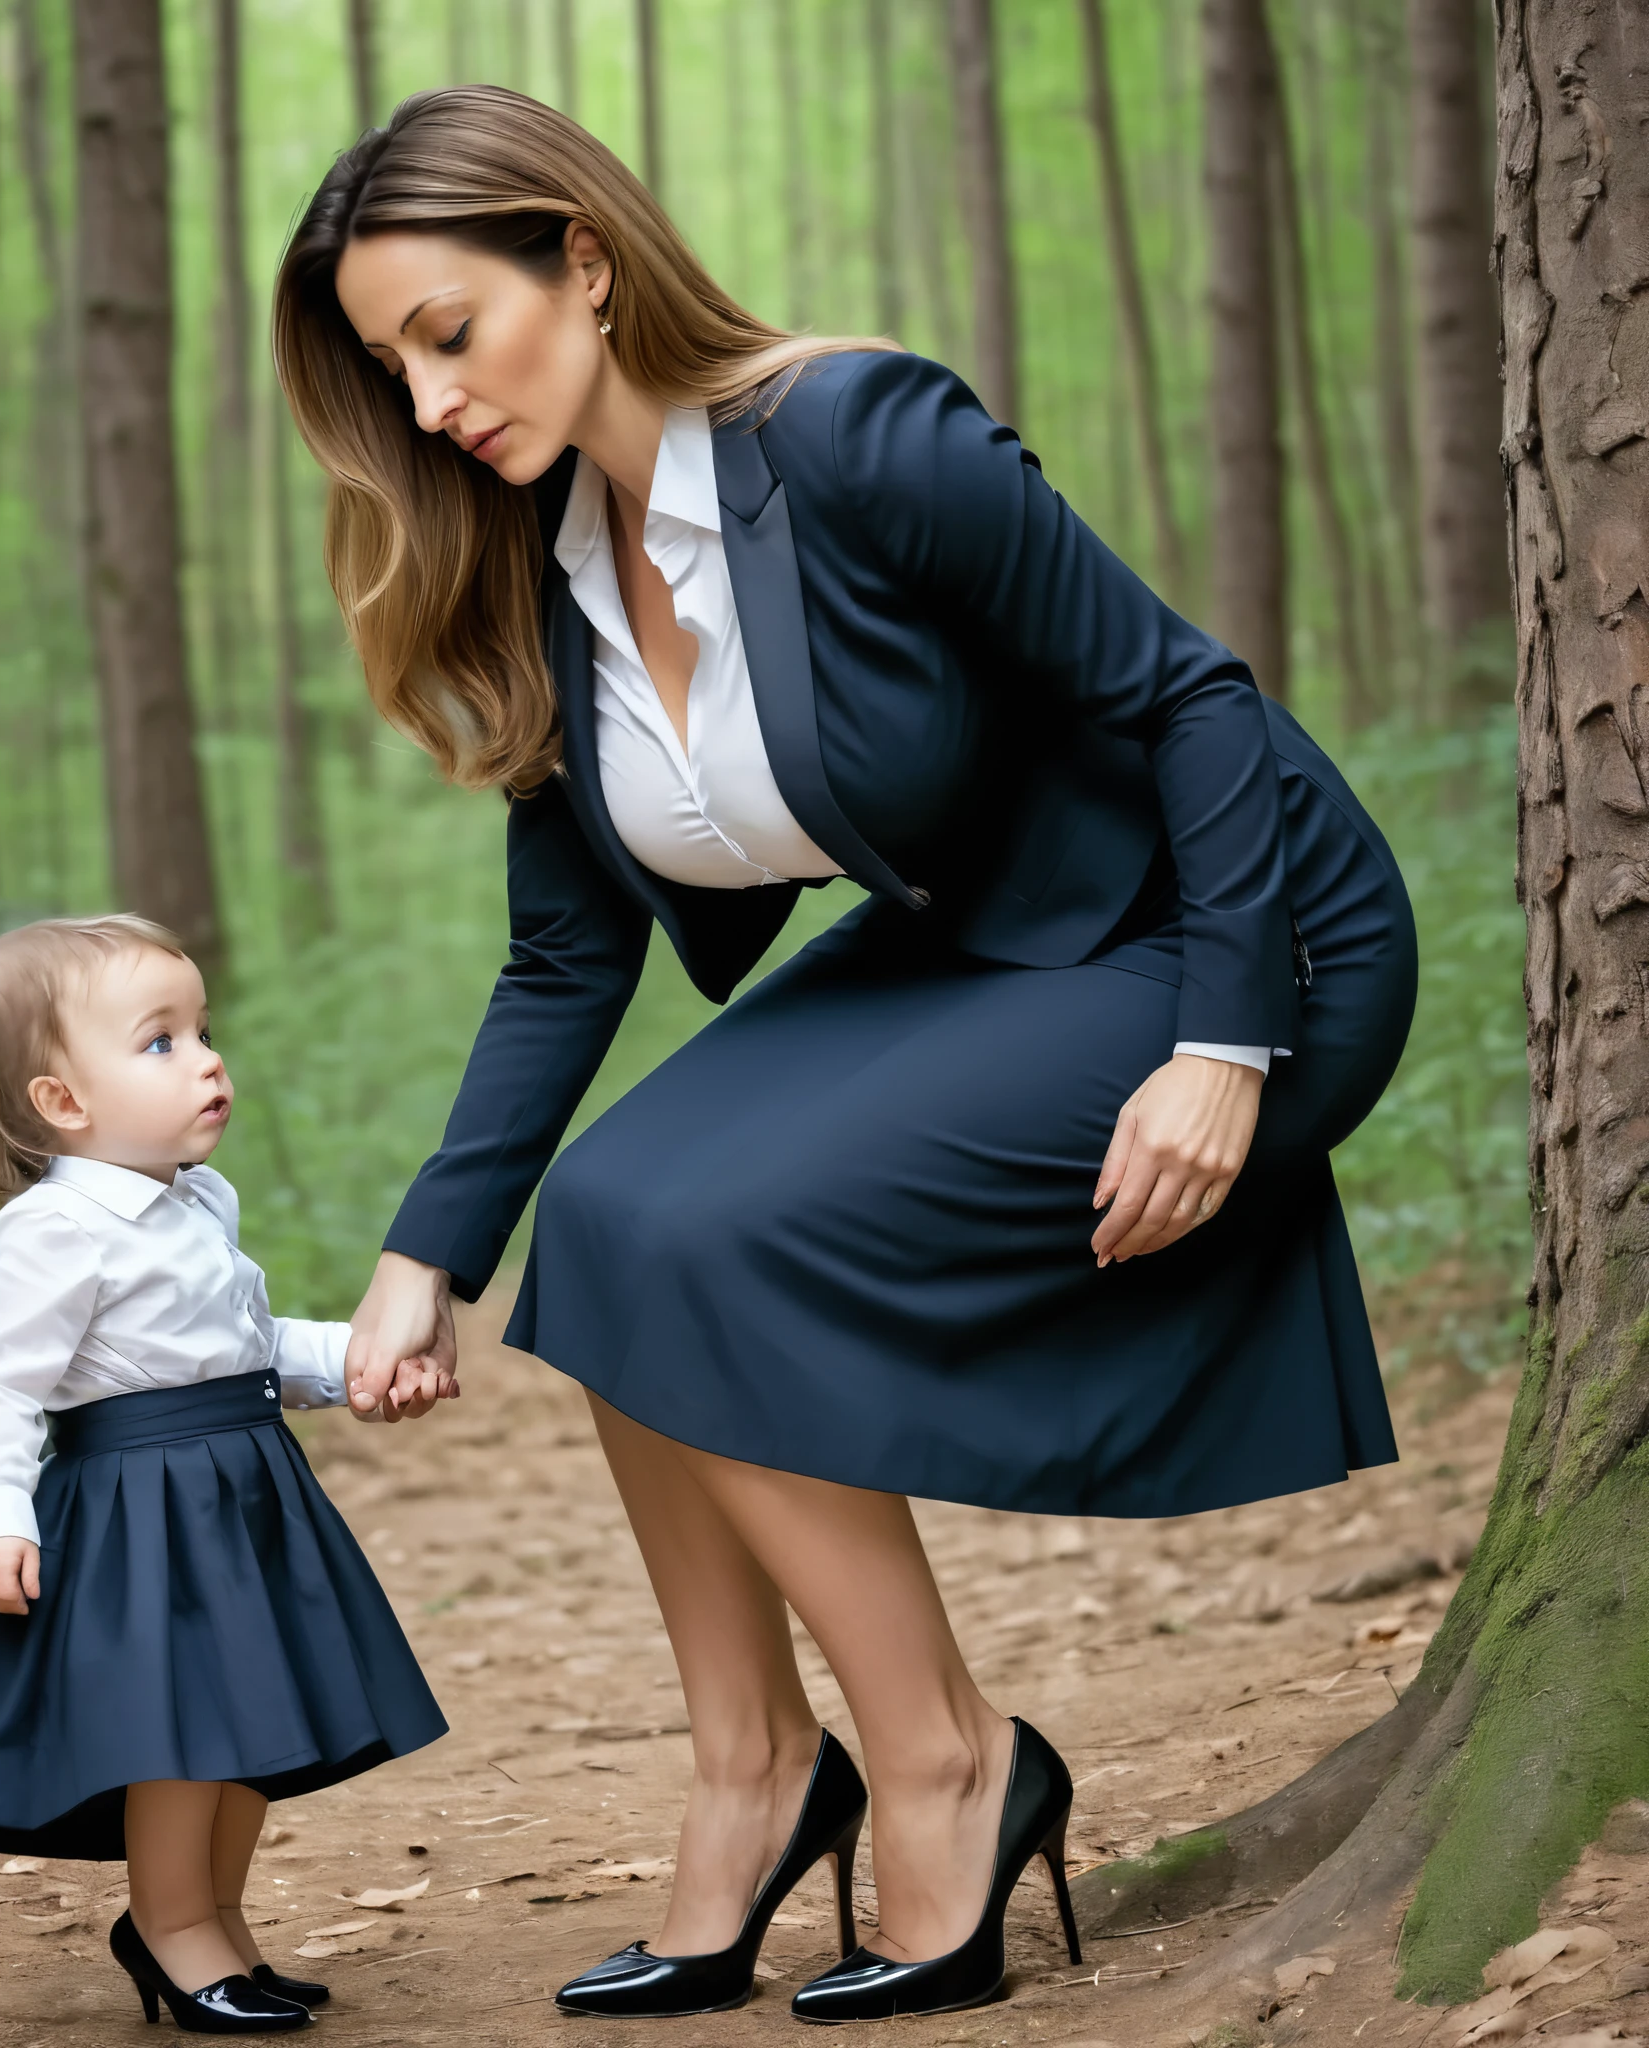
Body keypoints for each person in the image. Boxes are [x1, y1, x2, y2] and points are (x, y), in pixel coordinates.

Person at [274, 87, 1417, 2025]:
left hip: (1235, 930)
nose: (430, 401)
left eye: (448, 335)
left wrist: (1223, 1041)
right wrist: (423, 1254)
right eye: (391, 369)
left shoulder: (854, 434)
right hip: (989, 936)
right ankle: (756, 1766)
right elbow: (567, 954)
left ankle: (951, 1757)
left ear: (584, 259)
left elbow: (1190, 701)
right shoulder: (544, 563)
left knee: (721, 1241)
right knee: (621, 1214)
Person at [0, 915, 449, 2034]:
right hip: (137, 1512)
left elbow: (241, 1343)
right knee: (179, 1738)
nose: (207, 1057)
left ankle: (219, 1917)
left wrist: (355, 1360)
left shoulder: (199, 1199)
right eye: (160, 1041)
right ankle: (170, 1923)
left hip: (242, 1490)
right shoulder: (52, 1229)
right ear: (63, 1101)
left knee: (253, 1722)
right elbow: (0, 1390)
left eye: (203, 1029)